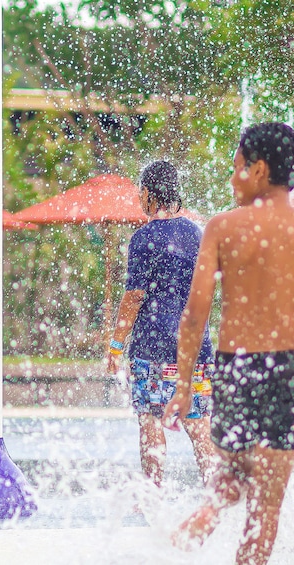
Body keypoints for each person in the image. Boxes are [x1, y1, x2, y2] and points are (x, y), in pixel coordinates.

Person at [162, 122, 294, 564]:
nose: (231, 180)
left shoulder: (222, 228)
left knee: (231, 473)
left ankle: (209, 510)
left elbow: (195, 316)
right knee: (266, 508)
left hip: (236, 367)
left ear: (258, 170)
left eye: (236, 169)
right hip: (291, 370)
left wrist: (185, 386)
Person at [107, 160, 218, 488]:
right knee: (199, 422)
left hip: (152, 347)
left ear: (147, 193)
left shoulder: (143, 238)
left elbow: (134, 297)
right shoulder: (199, 234)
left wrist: (116, 345)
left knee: (152, 419)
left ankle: (152, 495)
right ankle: (214, 493)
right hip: (195, 346)